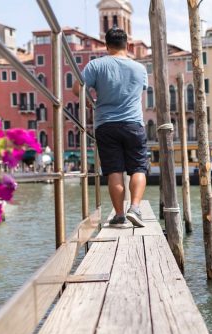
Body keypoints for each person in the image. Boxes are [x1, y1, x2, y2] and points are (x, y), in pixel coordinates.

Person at [74, 27, 148, 228]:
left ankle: (119, 214)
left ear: (106, 45)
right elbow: (141, 90)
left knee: (114, 170)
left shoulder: (95, 65)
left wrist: (91, 101)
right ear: (128, 45)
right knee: (138, 168)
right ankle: (135, 208)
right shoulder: (140, 69)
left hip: (106, 125)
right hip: (134, 124)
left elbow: (76, 89)